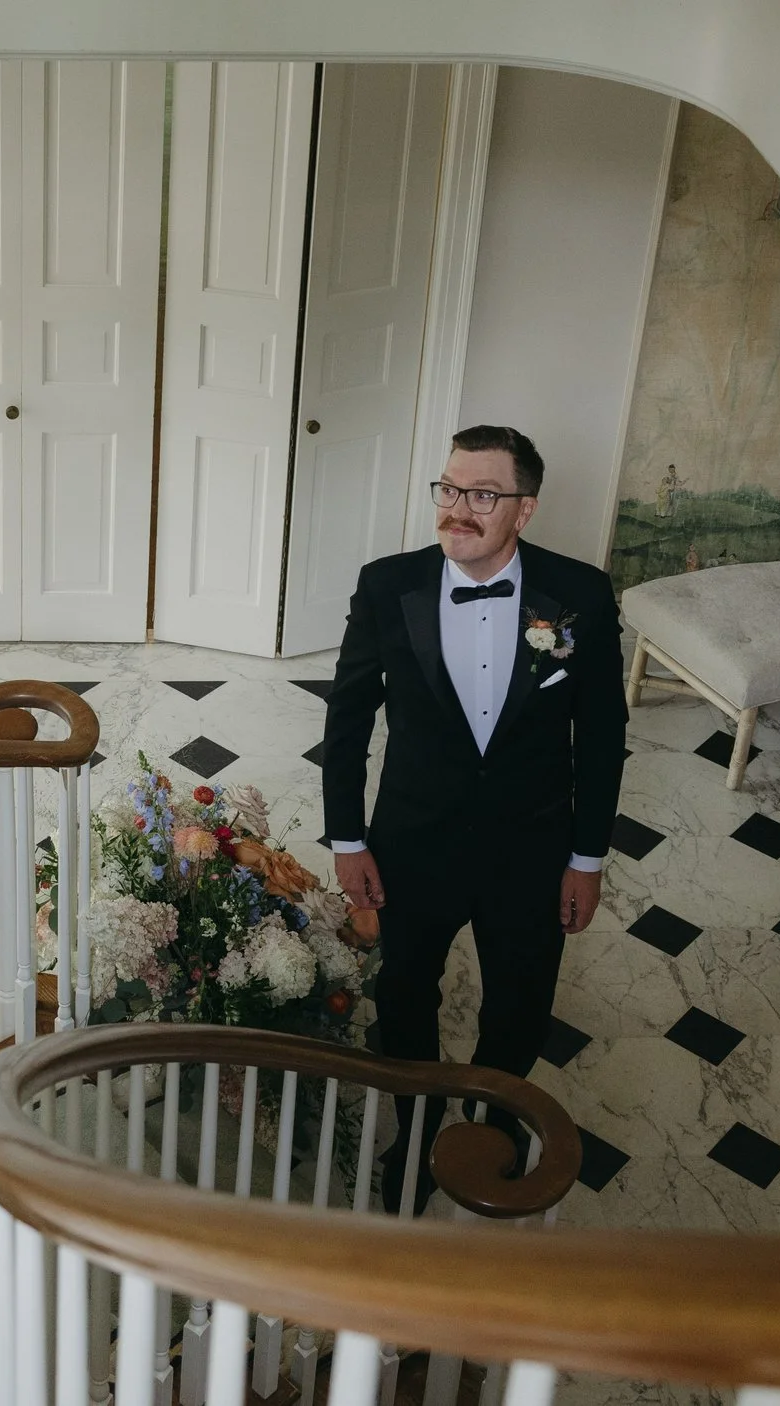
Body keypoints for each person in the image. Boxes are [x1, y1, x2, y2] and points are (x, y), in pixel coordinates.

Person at [320, 425, 627, 1211]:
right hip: (414, 842)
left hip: (532, 846)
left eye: (483, 495)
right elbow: (348, 724)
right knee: (406, 994)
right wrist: (349, 840)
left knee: (519, 1007)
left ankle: (493, 1127)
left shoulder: (581, 596)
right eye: (449, 489)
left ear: (523, 511)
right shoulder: (388, 586)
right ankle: (417, 1124)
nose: (458, 510)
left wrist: (586, 859)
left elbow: (601, 741)